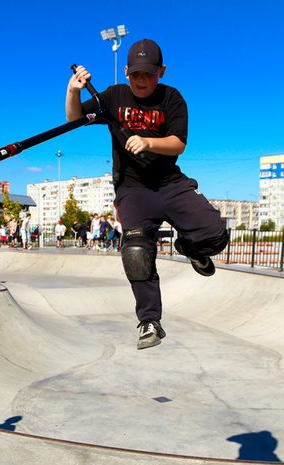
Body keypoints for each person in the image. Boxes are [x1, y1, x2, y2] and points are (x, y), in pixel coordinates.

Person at [67, 39, 228, 349]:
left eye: (149, 75)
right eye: (136, 75)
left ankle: (191, 248)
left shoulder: (172, 98)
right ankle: (149, 320)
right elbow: (74, 120)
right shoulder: (112, 96)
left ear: (161, 72)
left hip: (170, 183)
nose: (141, 81)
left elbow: (178, 143)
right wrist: (74, 89)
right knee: (136, 252)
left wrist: (149, 142)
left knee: (217, 236)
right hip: (133, 189)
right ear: (126, 72)